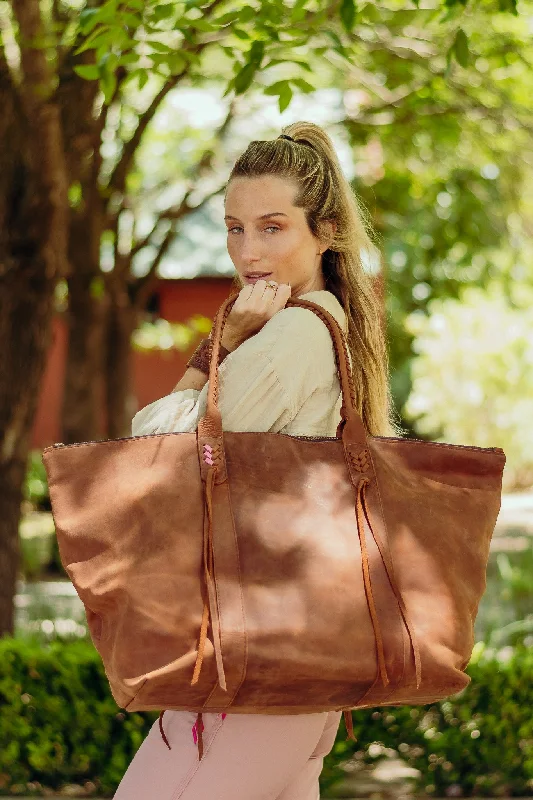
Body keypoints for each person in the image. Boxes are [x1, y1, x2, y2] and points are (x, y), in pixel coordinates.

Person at [113, 121, 402, 800]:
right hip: (275, 643)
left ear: (324, 231)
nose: (249, 251)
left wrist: (216, 346)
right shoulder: (313, 324)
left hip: (270, 651)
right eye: (234, 228)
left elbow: (150, 454)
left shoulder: (298, 331)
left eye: (272, 228)